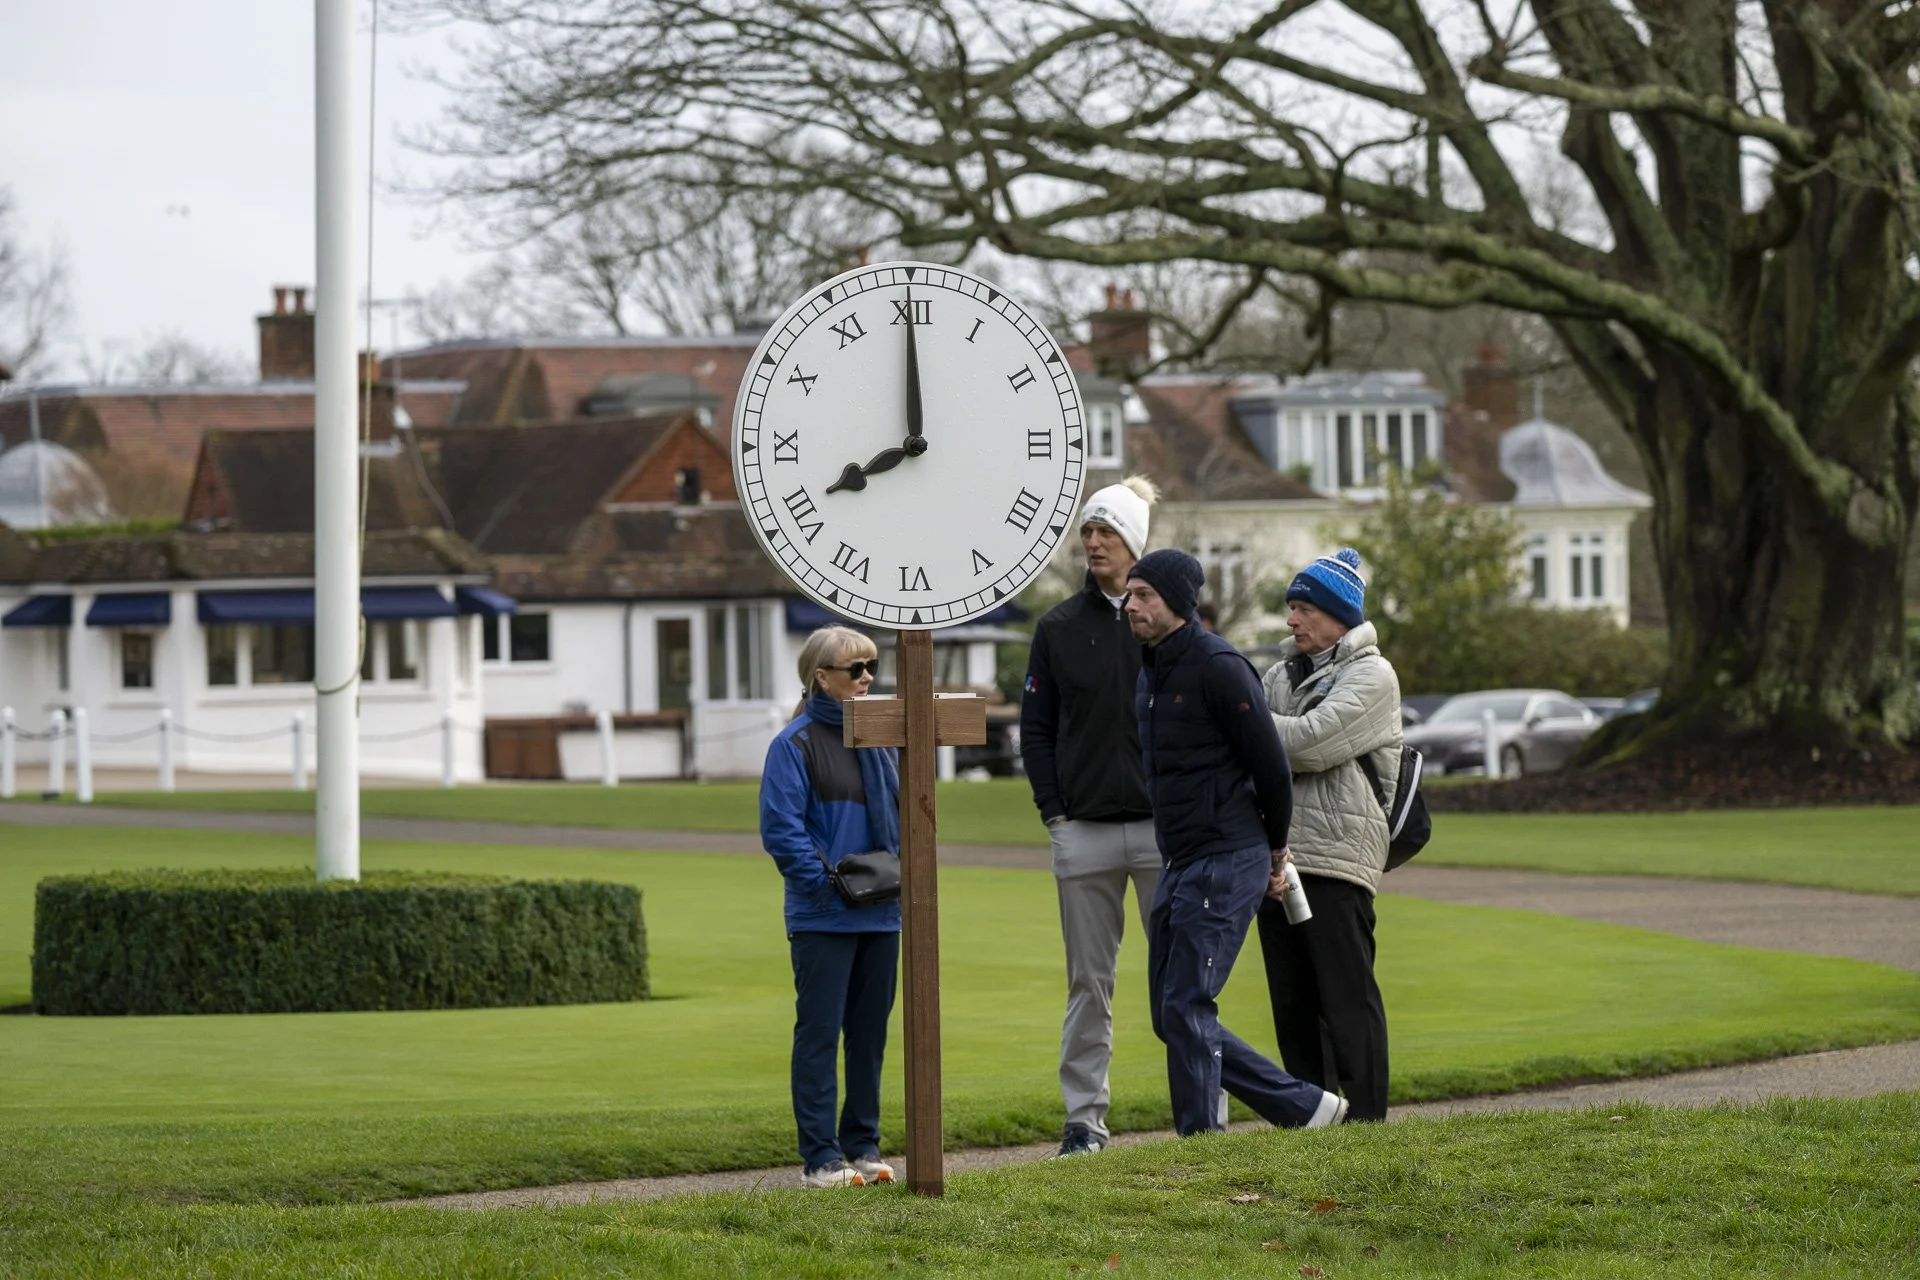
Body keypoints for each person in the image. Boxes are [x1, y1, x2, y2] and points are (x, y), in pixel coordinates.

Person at [1124, 548, 1347, 1135]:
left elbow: (1271, 769)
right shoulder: (1150, 669)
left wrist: (1275, 850)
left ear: (1176, 601)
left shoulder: (1220, 666)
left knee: (1188, 1004)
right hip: (1181, 859)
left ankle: (1201, 1142)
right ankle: (1304, 1106)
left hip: (1229, 856)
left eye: (1144, 594)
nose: (1131, 604)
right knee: (1169, 1013)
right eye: (1130, 594)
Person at [1020, 475, 1162, 1157]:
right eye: (1089, 532)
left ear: (1135, 542)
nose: (1094, 541)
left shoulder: (1170, 624)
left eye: (1107, 532)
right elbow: (1036, 730)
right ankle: (1084, 1122)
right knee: (1089, 986)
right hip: (1085, 831)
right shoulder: (1057, 628)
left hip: (1167, 832)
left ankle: (1203, 1109)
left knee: (1185, 980)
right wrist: (1055, 813)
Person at [1255, 548, 1402, 1122]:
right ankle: (1312, 1120)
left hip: (1338, 860)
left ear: (1337, 614)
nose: (1291, 620)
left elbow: (1311, 742)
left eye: (1303, 608)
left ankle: (1365, 1119)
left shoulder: (1373, 674)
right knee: (1292, 1002)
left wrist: (1240, 718)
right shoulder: (1277, 674)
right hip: (1279, 858)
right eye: (1291, 608)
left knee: (1346, 997)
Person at [760, 626, 902, 1188]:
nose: (868, 678)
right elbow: (782, 831)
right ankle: (821, 1157)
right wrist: (829, 887)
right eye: (855, 670)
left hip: (883, 910)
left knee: (869, 1035)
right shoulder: (792, 746)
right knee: (819, 1033)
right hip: (825, 915)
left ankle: (862, 1145)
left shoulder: (883, 742)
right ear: (822, 676)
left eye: (872, 667)